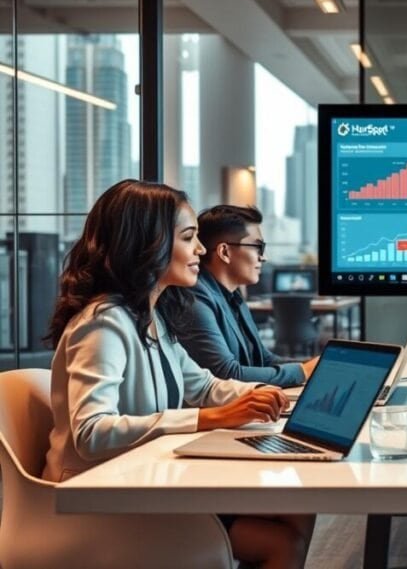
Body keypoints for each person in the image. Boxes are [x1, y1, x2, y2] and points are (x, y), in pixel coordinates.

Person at [43, 180, 315, 569]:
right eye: (189, 238)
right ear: (147, 245)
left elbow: (204, 384)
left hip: (144, 480)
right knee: (280, 543)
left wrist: (273, 397)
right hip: (98, 499)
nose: (201, 250)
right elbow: (91, 432)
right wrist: (209, 418)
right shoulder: (104, 324)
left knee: (297, 509)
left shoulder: (150, 316)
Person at [178, 205, 317, 387]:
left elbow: (262, 358)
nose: (263, 257)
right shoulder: (195, 296)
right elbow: (225, 373)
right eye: (258, 247)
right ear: (225, 252)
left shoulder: (233, 294)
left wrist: (311, 367)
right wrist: (303, 371)